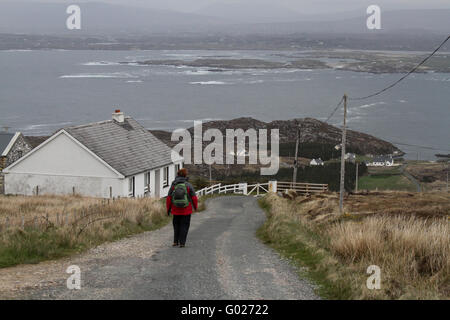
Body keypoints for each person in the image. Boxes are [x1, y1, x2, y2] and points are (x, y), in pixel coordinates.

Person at [166, 168, 198, 248]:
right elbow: (194, 197)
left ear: (177, 175)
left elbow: (169, 198)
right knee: (184, 226)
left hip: (175, 210)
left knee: (176, 225)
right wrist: (195, 207)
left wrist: (168, 209)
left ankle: (175, 242)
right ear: (185, 175)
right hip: (186, 210)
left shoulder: (174, 185)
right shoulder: (188, 185)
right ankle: (182, 243)